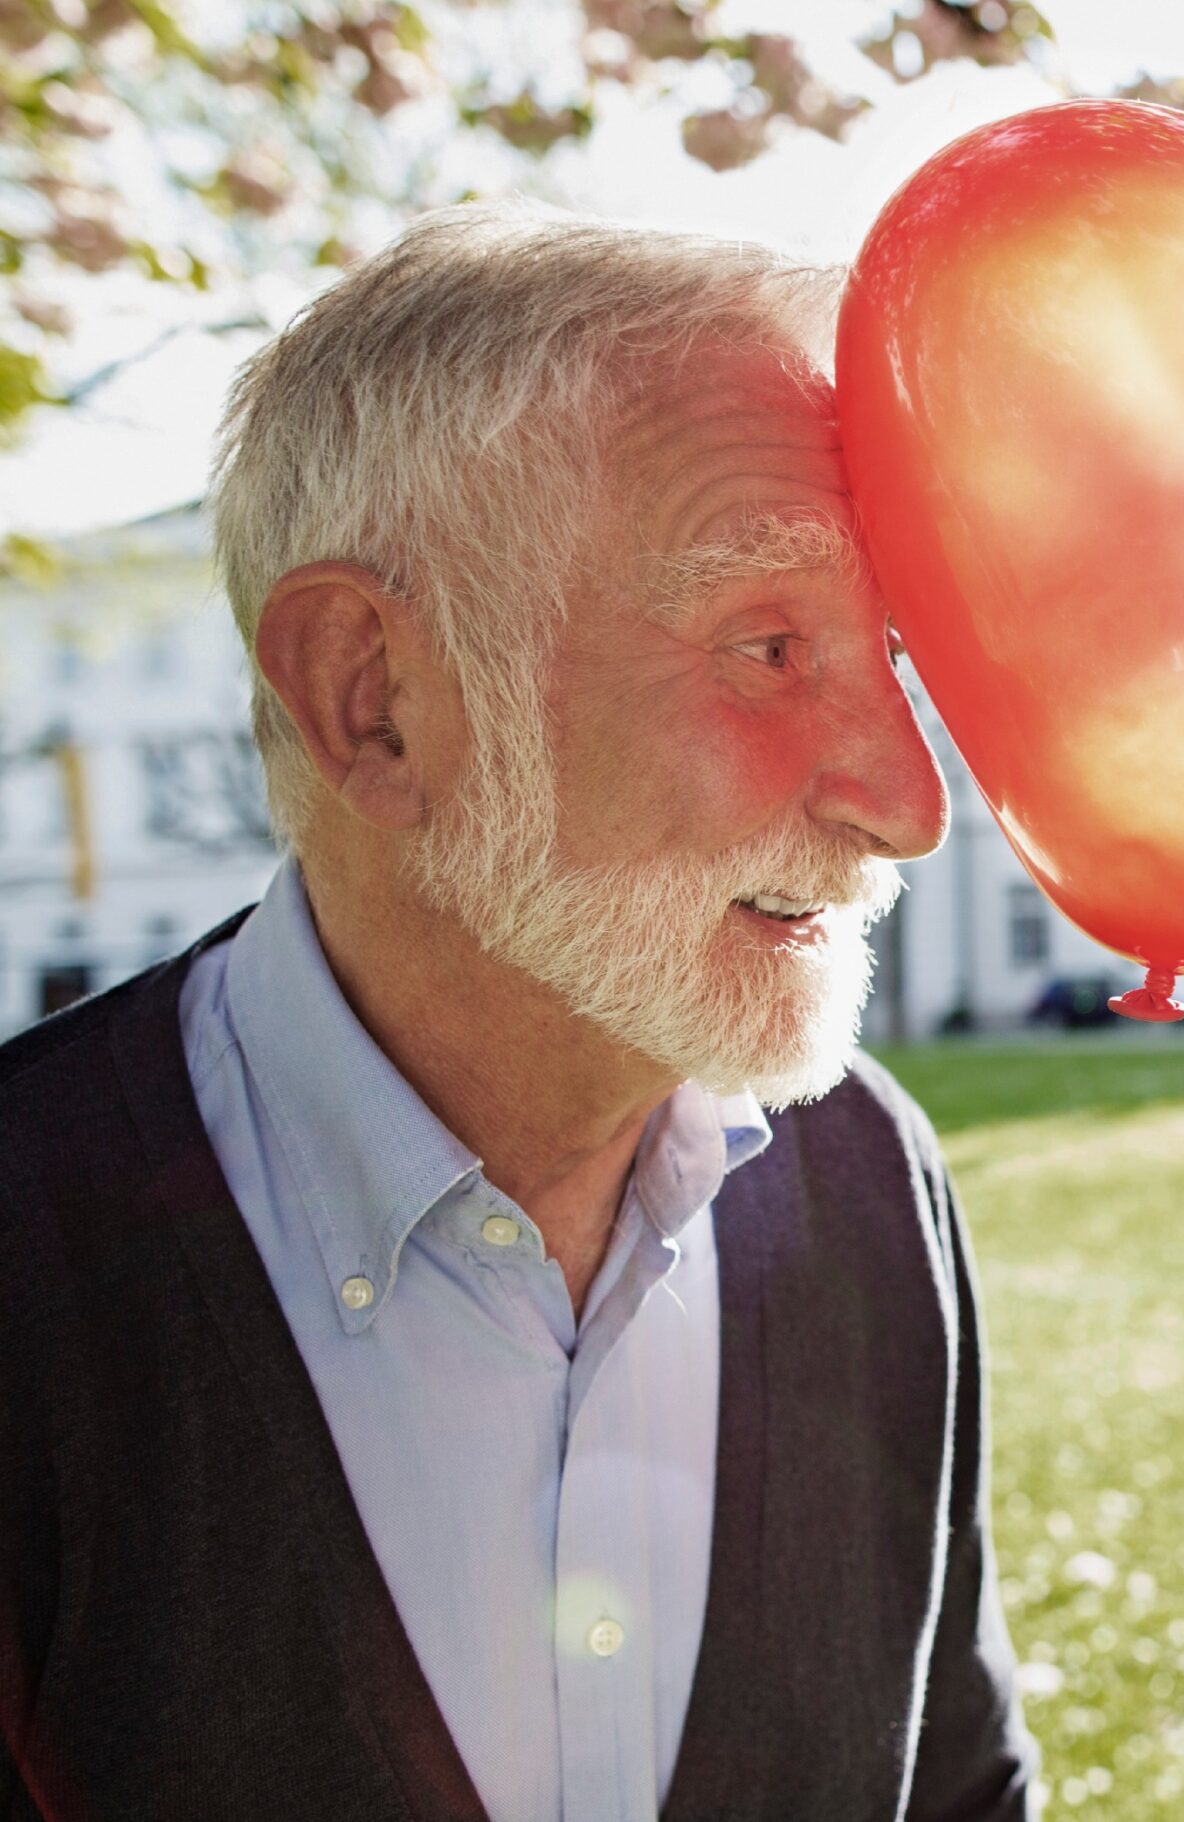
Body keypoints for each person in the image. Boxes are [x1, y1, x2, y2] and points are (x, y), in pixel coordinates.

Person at [0, 207, 1039, 1821]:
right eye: (769, 647)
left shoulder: (869, 1181)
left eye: (892, 653)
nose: (909, 803)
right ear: (376, 700)